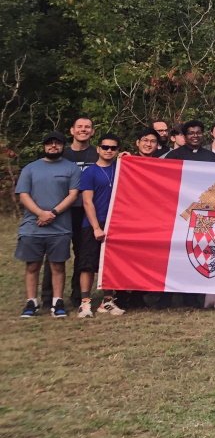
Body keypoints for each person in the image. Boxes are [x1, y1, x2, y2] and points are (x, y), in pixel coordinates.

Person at [16, 132, 80, 319]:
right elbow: (23, 195)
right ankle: (31, 302)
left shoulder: (71, 168)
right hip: (32, 226)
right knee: (32, 266)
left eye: (57, 144)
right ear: (44, 146)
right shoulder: (30, 168)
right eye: (50, 144)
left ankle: (57, 302)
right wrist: (40, 213)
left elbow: (73, 195)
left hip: (60, 227)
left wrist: (52, 213)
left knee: (58, 266)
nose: (53, 146)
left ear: (62, 146)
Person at [77, 134, 120, 318]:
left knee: (110, 263)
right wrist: (96, 227)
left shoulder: (121, 168)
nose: (109, 150)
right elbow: (87, 201)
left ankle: (107, 301)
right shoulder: (90, 172)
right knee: (87, 263)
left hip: (115, 222)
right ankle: (85, 303)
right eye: (105, 147)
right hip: (93, 223)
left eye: (113, 148)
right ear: (98, 149)